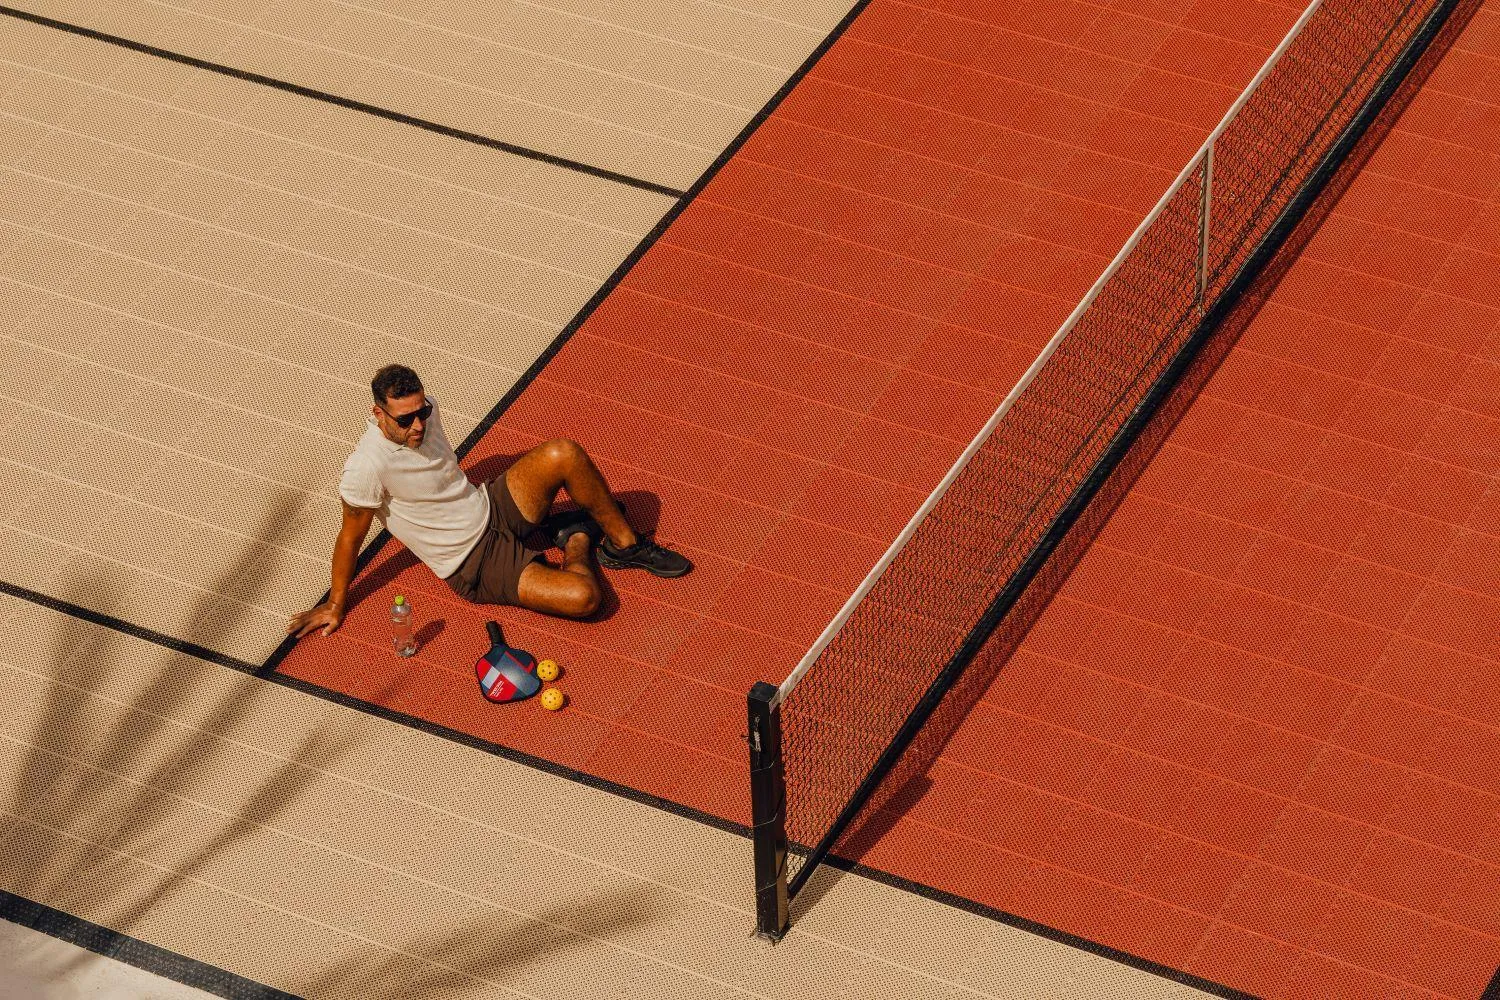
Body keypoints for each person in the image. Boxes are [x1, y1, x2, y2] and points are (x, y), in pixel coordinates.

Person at [288, 364, 690, 638]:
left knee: (564, 453)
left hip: (490, 505)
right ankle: (576, 537)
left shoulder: (427, 414)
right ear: (378, 414)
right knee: (585, 599)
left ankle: (626, 546)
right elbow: (349, 538)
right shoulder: (366, 468)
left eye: (422, 412)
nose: (419, 425)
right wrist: (336, 602)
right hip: (474, 562)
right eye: (405, 420)